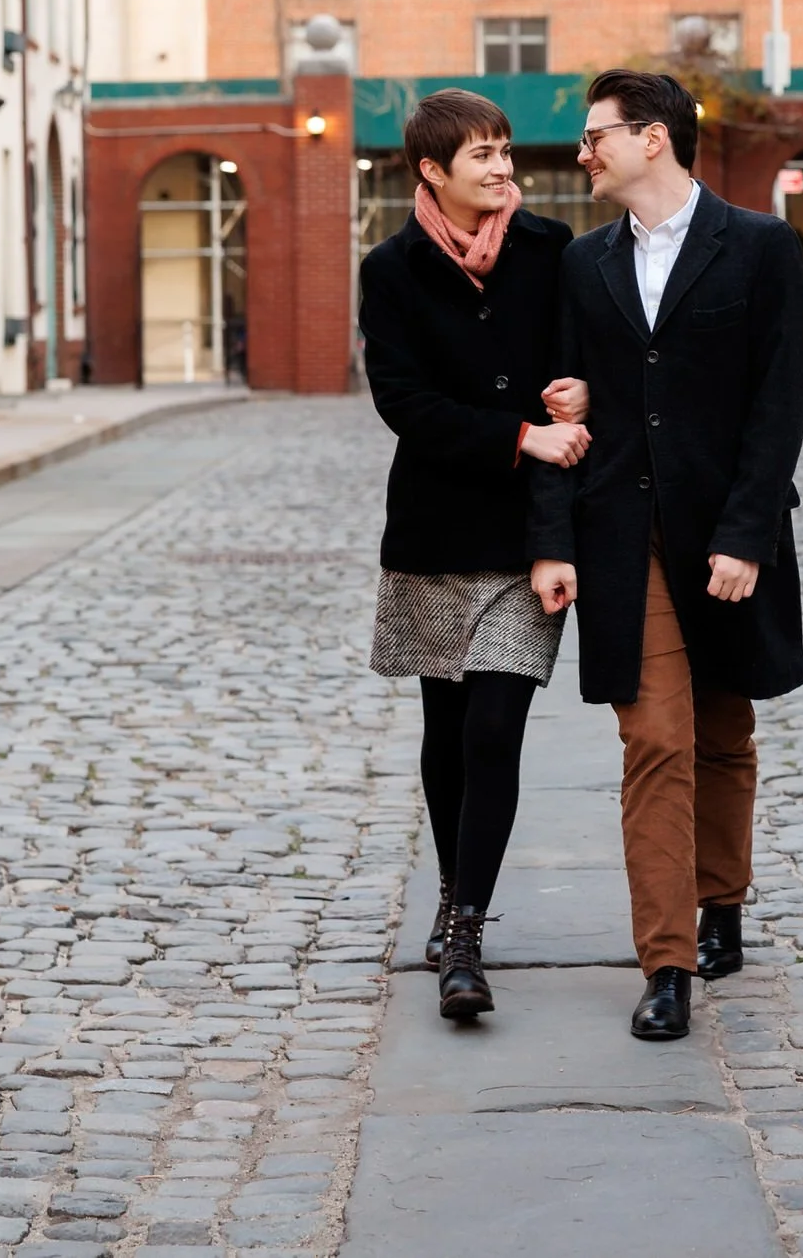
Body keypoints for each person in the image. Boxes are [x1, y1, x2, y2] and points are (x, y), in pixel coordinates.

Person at [528, 69, 803, 1042]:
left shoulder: (764, 248)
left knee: (723, 729)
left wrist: (746, 534)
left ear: (653, 137)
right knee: (654, 737)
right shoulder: (581, 262)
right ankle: (667, 961)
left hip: (723, 530)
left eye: (594, 134)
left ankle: (721, 898)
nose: (582, 151)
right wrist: (568, 432)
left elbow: (778, 404)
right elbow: (573, 403)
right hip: (621, 535)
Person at [359, 88, 590, 1022]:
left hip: (521, 545)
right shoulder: (393, 268)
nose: (503, 168)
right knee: (446, 732)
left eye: (504, 151)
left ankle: (463, 929)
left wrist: (572, 409)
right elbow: (402, 403)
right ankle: (460, 893)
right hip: (431, 536)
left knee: (495, 727)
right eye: (483, 155)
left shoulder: (550, 253)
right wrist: (517, 433)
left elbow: (577, 390)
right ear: (431, 170)